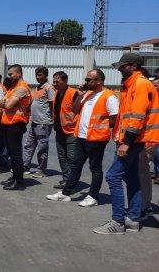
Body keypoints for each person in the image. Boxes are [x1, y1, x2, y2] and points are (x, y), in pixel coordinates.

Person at [93, 53, 159, 235]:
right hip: (133, 140)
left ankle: (118, 222)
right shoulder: (131, 85)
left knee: (113, 176)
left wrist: (126, 143)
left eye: (123, 66)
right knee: (132, 179)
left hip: (134, 140)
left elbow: (137, 118)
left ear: (133, 66)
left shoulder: (140, 84)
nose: (119, 69)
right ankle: (133, 219)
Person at [47, 69, 117, 208]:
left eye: (89, 80)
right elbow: (75, 110)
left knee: (95, 168)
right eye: (86, 79)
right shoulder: (88, 94)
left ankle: (92, 196)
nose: (85, 82)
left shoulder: (109, 96)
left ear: (99, 81)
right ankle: (66, 193)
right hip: (81, 135)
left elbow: (114, 119)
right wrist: (80, 95)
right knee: (75, 165)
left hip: (96, 138)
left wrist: (99, 128)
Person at [0, 64, 32, 190]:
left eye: (11, 74)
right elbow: (0, 103)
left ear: (19, 74)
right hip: (9, 123)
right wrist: (5, 102)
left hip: (16, 124)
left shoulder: (22, 88)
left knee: (16, 154)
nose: (9, 76)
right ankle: (14, 177)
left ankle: (19, 181)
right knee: (12, 154)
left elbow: (7, 105)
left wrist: (5, 102)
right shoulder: (13, 88)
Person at [23, 66, 55, 178]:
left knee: (42, 147)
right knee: (29, 145)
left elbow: (53, 104)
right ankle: (25, 166)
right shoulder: (38, 87)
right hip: (34, 121)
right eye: (36, 75)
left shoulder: (49, 88)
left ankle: (41, 169)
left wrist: (52, 119)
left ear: (46, 75)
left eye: (40, 75)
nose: (38, 77)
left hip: (43, 123)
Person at [51, 71, 78, 189]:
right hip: (60, 129)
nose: (55, 83)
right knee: (62, 156)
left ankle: (72, 183)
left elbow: (79, 111)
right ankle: (66, 179)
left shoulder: (73, 93)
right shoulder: (57, 93)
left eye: (58, 81)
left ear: (65, 81)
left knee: (71, 157)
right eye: (54, 81)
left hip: (71, 130)